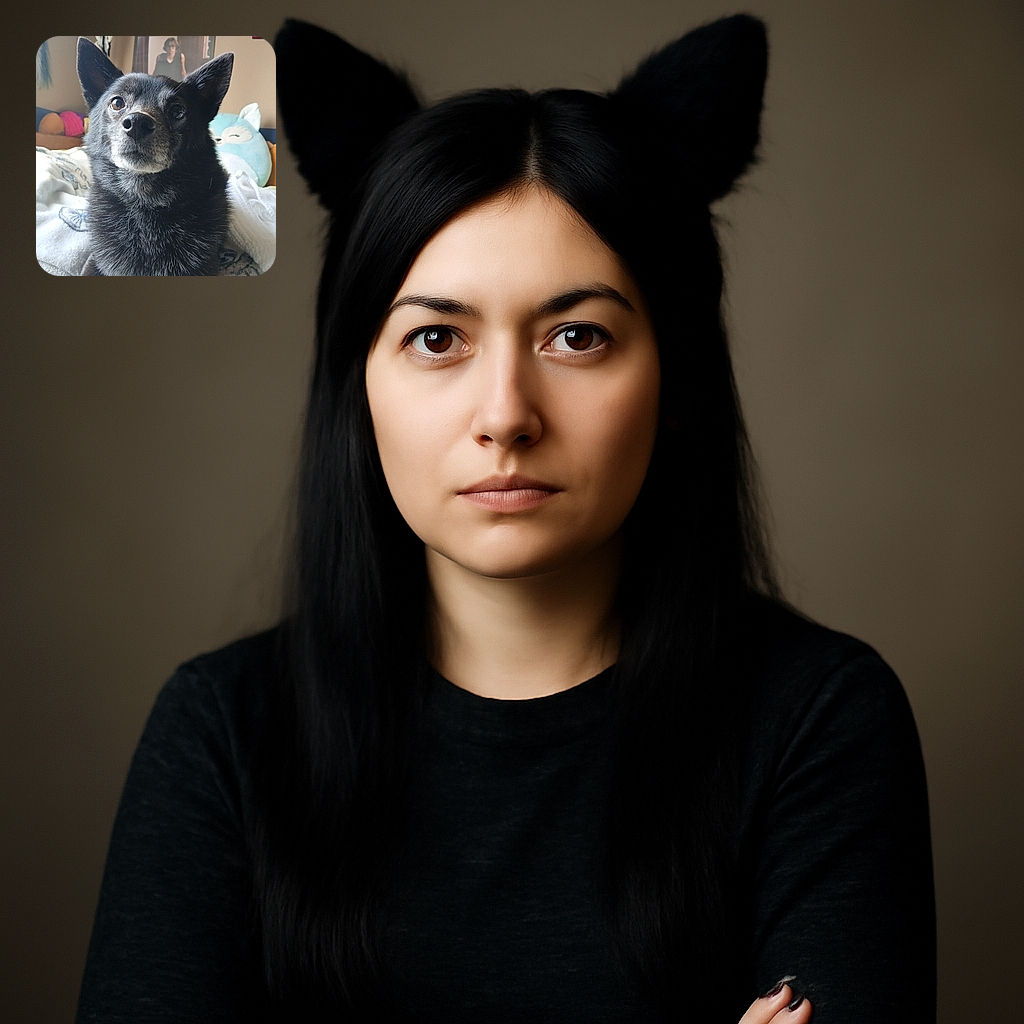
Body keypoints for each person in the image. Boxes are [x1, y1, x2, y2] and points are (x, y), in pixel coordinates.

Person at [75, 15, 936, 1023]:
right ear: (357, 379)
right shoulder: (224, 732)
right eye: (437, 337)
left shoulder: (818, 720)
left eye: (577, 335)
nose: (504, 417)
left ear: (675, 368)